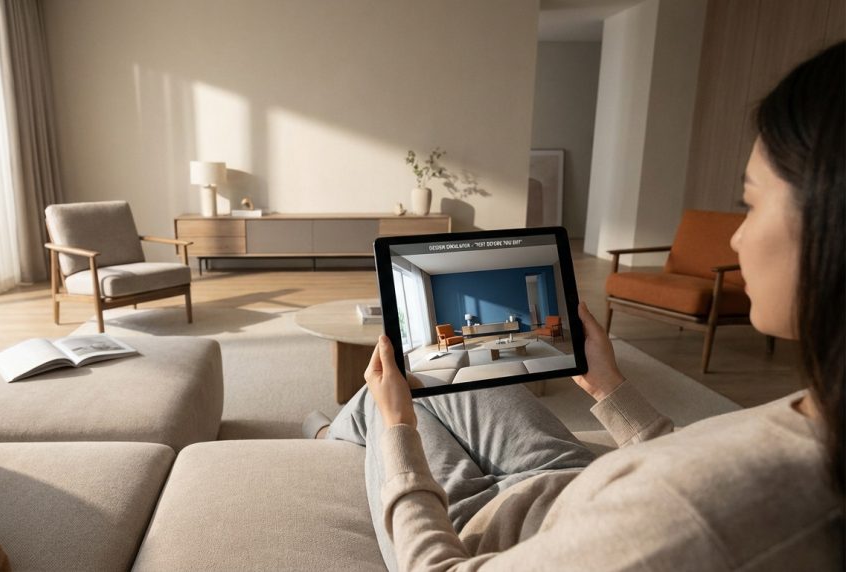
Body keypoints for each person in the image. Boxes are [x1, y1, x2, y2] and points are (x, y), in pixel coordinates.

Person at [326, 41, 844, 571]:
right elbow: (689, 462)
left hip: (490, 527)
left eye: (750, 203)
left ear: (832, 222)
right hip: (565, 475)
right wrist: (609, 388)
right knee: (433, 375)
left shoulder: (701, 517)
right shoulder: (821, 415)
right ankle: (345, 423)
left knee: (388, 398)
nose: (735, 239)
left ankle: (334, 430)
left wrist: (397, 428)